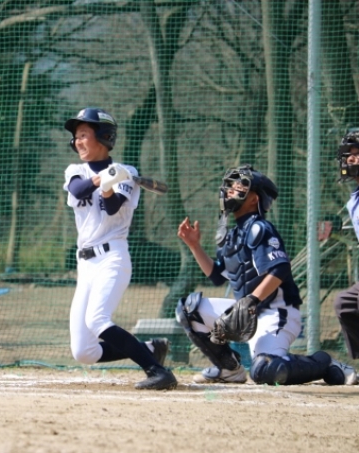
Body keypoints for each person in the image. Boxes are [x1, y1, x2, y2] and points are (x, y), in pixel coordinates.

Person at [176, 164, 357, 385]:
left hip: (276, 312)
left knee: (265, 371)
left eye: (239, 186)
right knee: (188, 309)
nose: (230, 190)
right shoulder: (232, 234)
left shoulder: (259, 228)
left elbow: (279, 268)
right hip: (248, 311)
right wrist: (194, 246)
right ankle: (228, 368)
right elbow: (217, 275)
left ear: (255, 198)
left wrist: (251, 300)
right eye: (229, 185)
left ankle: (324, 363)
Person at [63, 107, 177, 390]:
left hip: (112, 257)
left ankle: (157, 371)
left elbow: (112, 207)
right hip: (85, 265)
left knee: (97, 319)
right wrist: (103, 178)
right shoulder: (75, 171)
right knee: (83, 351)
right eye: (76, 136)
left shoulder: (128, 173)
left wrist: (110, 184)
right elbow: (77, 190)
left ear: (104, 136)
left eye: (84, 134)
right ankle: (150, 349)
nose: (78, 141)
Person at [334, 129, 359, 363]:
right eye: (348, 154)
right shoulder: (354, 200)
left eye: (357, 153)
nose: (351, 159)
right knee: (346, 304)